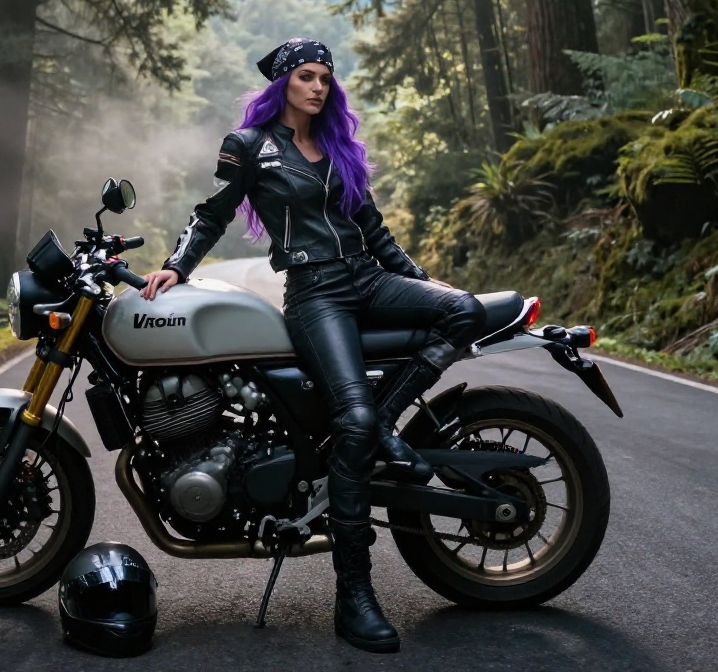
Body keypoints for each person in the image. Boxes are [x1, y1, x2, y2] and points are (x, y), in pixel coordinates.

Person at [140, 38, 486, 654]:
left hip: (370, 278)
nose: (319, 86)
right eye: (306, 76)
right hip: (314, 292)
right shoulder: (249, 146)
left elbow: (372, 226)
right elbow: (213, 213)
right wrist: (176, 266)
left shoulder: (337, 146)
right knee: (348, 418)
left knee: (463, 311)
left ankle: (380, 427)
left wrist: (419, 278)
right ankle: (355, 598)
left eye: (326, 76)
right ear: (282, 84)